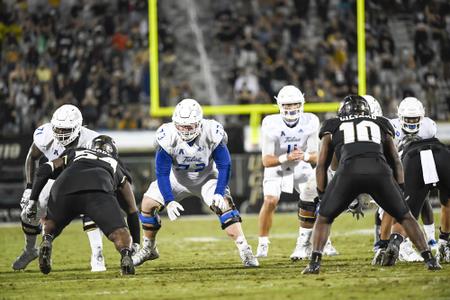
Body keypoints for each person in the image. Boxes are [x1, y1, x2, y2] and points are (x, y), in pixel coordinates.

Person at [302, 95, 440, 274]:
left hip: (348, 172)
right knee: (406, 216)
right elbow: (396, 161)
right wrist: (400, 189)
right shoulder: (382, 123)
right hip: (379, 171)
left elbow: (322, 165)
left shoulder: (331, 125)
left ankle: (314, 264)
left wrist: (322, 195)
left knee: (324, 218)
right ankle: (429, 259)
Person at [132, 99, 259, 267]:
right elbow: (162, 172)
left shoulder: (211, 131)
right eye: (181, 126)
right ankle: (149, 248)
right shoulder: (167, 134)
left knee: (225, 206)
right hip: (176, 178)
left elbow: (224, 165)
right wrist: (169, 200)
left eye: (189, 126)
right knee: (147, 204)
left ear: (199, 123)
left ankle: (245, 251)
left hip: (206, 178)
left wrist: (220, 192)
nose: (184, 130)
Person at [12, 104, 107, 272]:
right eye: (58, 129)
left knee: (93, 210)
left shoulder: (93, 140)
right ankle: (30, 250)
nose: (61, 134)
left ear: (78, 127)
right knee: (28, 213)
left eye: (66, 130)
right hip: (53, 180)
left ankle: (97, 256)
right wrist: (29, 187)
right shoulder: (46, 134)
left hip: (84, 181)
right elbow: (32, 157)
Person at [25, 135, 135, 275]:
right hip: (98, 189)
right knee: (120, 232)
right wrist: (135, 244)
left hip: (65, 185)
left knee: (51, 221)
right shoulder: (115, 163)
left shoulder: (76, 152)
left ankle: (47, 239)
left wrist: (33, 200)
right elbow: (131, 209)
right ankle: (125, 255)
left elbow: (43, 171)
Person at [257, 85, 337, 260]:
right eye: (287, 105)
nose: (291, 108)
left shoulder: (311, 121)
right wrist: (285, 157)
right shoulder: (270, 123)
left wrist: (305, 155)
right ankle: (263, 243)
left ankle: (325, 241)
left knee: (318, 202)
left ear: (301, 104)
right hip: (278, 166)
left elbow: (317, 156)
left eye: (294, 104)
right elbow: (266, 161)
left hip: (300, 165)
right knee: (270, 201)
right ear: (279, 105)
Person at [375, 97, 438, 263]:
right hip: (393, 170)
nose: (411, 122)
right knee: (387, 208)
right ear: (400, 116)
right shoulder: (390, 127)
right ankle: (388, 246)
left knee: (422, 201)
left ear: (422, 117)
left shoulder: (428, 128)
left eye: (414, 119)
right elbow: (384, 154)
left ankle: (432, 241)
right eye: (407, 119)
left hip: (416, 170)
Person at [396, 134, 450, 263]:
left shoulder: (402, 153)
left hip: (412, 161)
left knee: (405, 212)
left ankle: (396, 243)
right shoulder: (433, 134)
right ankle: (444, 243)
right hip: (441, 154)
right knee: (447, 202)